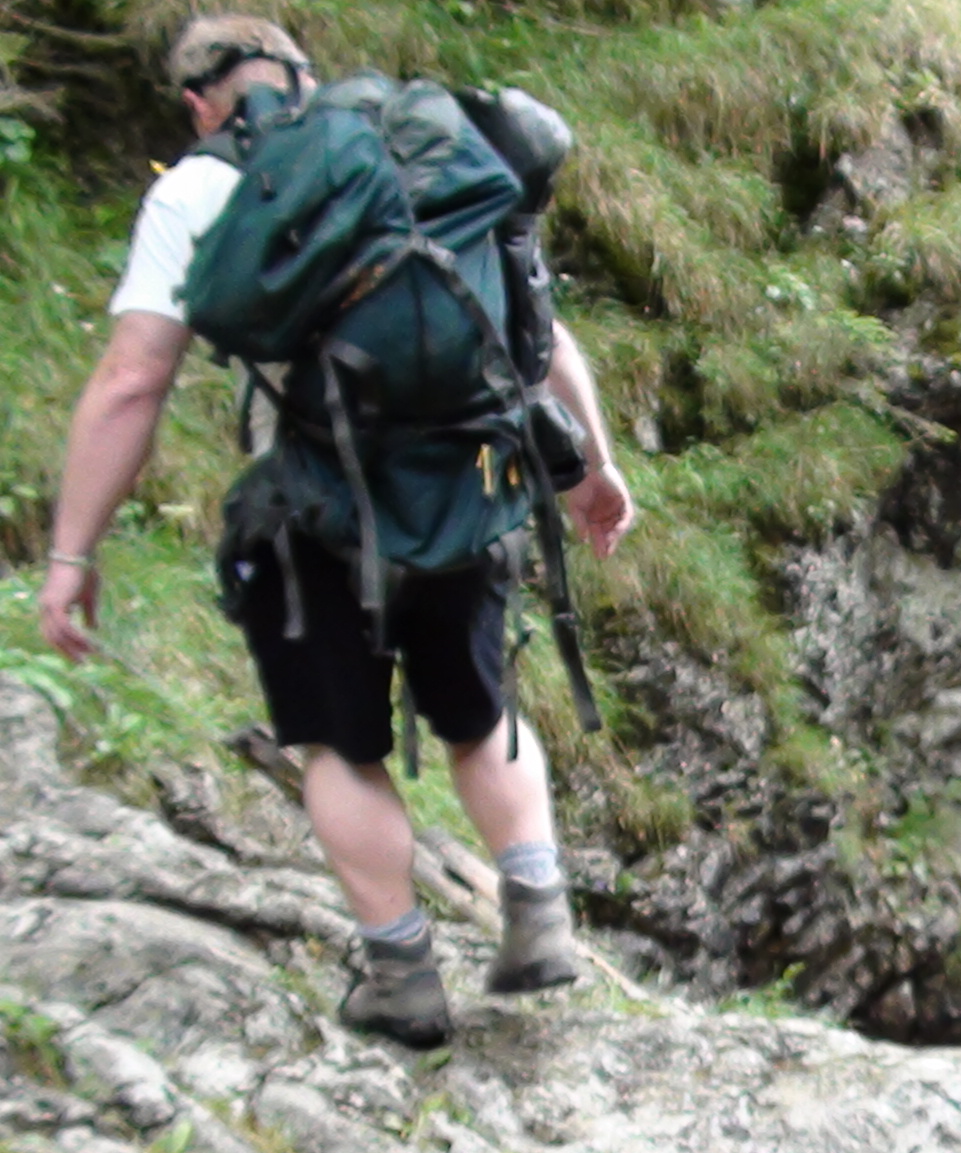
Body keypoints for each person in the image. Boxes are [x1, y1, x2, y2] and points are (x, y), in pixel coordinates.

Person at [36, 16, 635, 1049]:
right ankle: (537, 909)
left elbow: (134, 377)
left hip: (312, 509)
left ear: (199, 104)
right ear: (305, 72)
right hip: (466, 483)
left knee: (338, 745)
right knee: (479, 710)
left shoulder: (204, 187)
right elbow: (533, 325)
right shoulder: (428, 147)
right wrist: (595, 466)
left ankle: (402, 977)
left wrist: (71, 554)